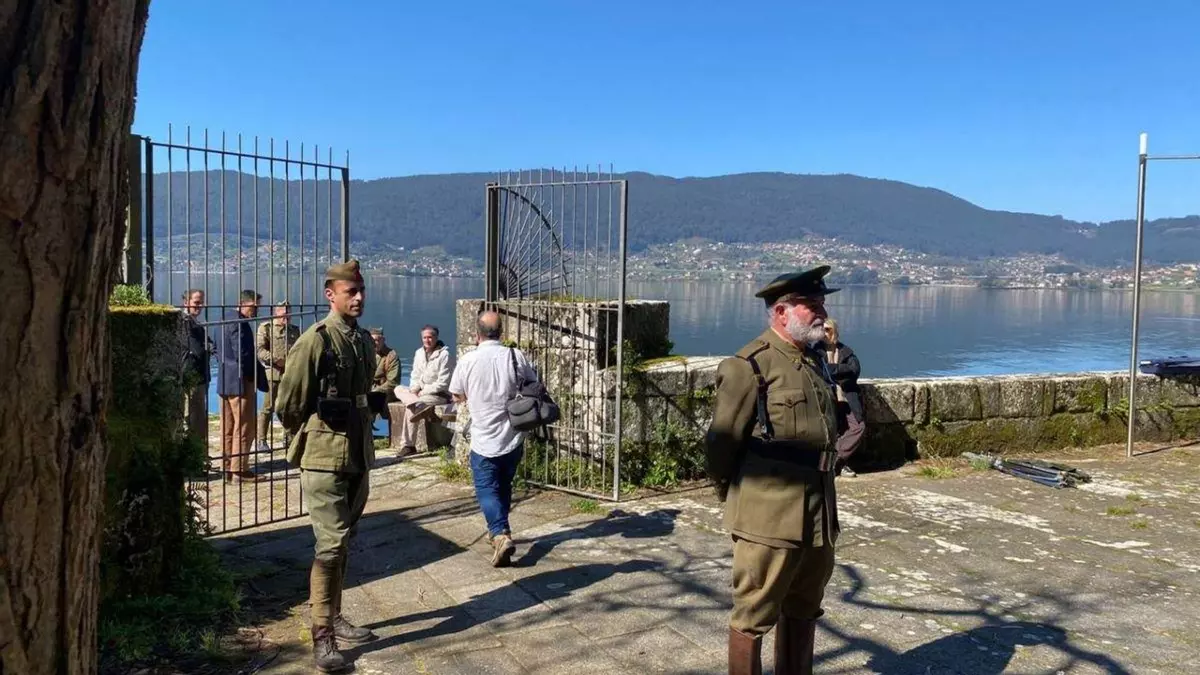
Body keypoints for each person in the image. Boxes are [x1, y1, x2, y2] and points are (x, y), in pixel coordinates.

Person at [705, 265, 842, 675]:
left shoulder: (814, 361)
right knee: (754, 614)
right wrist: (739, 500)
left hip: (818, 514)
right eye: (811, 305)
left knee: (805, 607)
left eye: (821, 303)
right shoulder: (750, 367)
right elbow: (721, 444)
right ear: (782, 312)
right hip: (768, 517)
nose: (822, 312)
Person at [275, 260, 380, 672]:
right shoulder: (315, 340)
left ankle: (334, 614)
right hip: (323, 456)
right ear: (330, 294)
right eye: (350, 291)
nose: (359, 297)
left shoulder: (363, 340)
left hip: (357, 452)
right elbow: (288, 404)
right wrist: (315, 431)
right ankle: (322, 635)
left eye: (361, 290)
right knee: (331, 544)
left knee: (345, 539)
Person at [449, 310, 537, 568]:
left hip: (484, 438)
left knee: (486, 489)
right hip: (513, 436)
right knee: (504, 486)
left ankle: (499, 534)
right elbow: (532, 383)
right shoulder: (515, 355)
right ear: (501, 332)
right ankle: (501, 533)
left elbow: (456, 394)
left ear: (477, 334)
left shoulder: (468, 360)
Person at [216, 289, 262, 482]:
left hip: (224, 378)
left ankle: (226, 467)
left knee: (227, 426)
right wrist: (252, 376)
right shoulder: (239, 322)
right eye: (254, 307)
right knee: (244, 426)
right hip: (240, 380)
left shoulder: (222, 319)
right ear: (243, 303)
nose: (256, 311)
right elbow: (242, 354)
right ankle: (240, 469)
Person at [392, 324, 455, 457]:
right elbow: (415, 375)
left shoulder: (445, 355)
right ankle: (417, 403)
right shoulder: (419, 353)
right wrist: (414, 389)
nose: (427, 340)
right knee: (398, 389)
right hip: (420, 394)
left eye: (430, 337)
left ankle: (408, 445)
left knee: (411, 407)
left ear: (436, 337)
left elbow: (443, 383)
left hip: (438, 395)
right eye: (424, 337)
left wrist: (423, 391)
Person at [823, 318, 865, 477]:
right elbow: (820, 371)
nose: (825, 333)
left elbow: (855, 370)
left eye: (828, 329)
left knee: (858, 427)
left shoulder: (846, 351)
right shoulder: (815, 352)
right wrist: (841, 371)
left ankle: (836, 460)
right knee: (834, 431)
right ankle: (840, 465)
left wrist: (833, 371)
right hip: (827, 398)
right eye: (822, 330)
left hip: (848, 398)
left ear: (835, 331)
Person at [256, 300, 301, 450]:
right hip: (273, 374)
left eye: (289, 313)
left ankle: (288, 438)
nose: (287, 316)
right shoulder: (266, 328)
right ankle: (261, 440)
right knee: (268, 407)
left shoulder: (294, 330)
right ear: (277, 312)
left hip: (290, 374)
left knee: (289, 407)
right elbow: (260, 350)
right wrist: (276, 360)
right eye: (284, 313)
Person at [180, 289, 211, 448]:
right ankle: (195, 451)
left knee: (197, 414)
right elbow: (197, 349)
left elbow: (207, 344)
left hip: (199, 374)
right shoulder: (185, 322)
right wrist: (208, 348)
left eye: (202, 303)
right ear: (186, 302)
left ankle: (198, 450)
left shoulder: (195, 322)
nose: (200, 306)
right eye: (196, 302)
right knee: (194, 415)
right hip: (192, 374)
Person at [369, 327, 401, 403]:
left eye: (377, 340)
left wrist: (374, 391)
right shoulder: (365, 354)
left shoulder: (391, 356)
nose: (374, 343)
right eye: (371, 340)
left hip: (384, 392)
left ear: (383, 340)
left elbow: (393, 382)